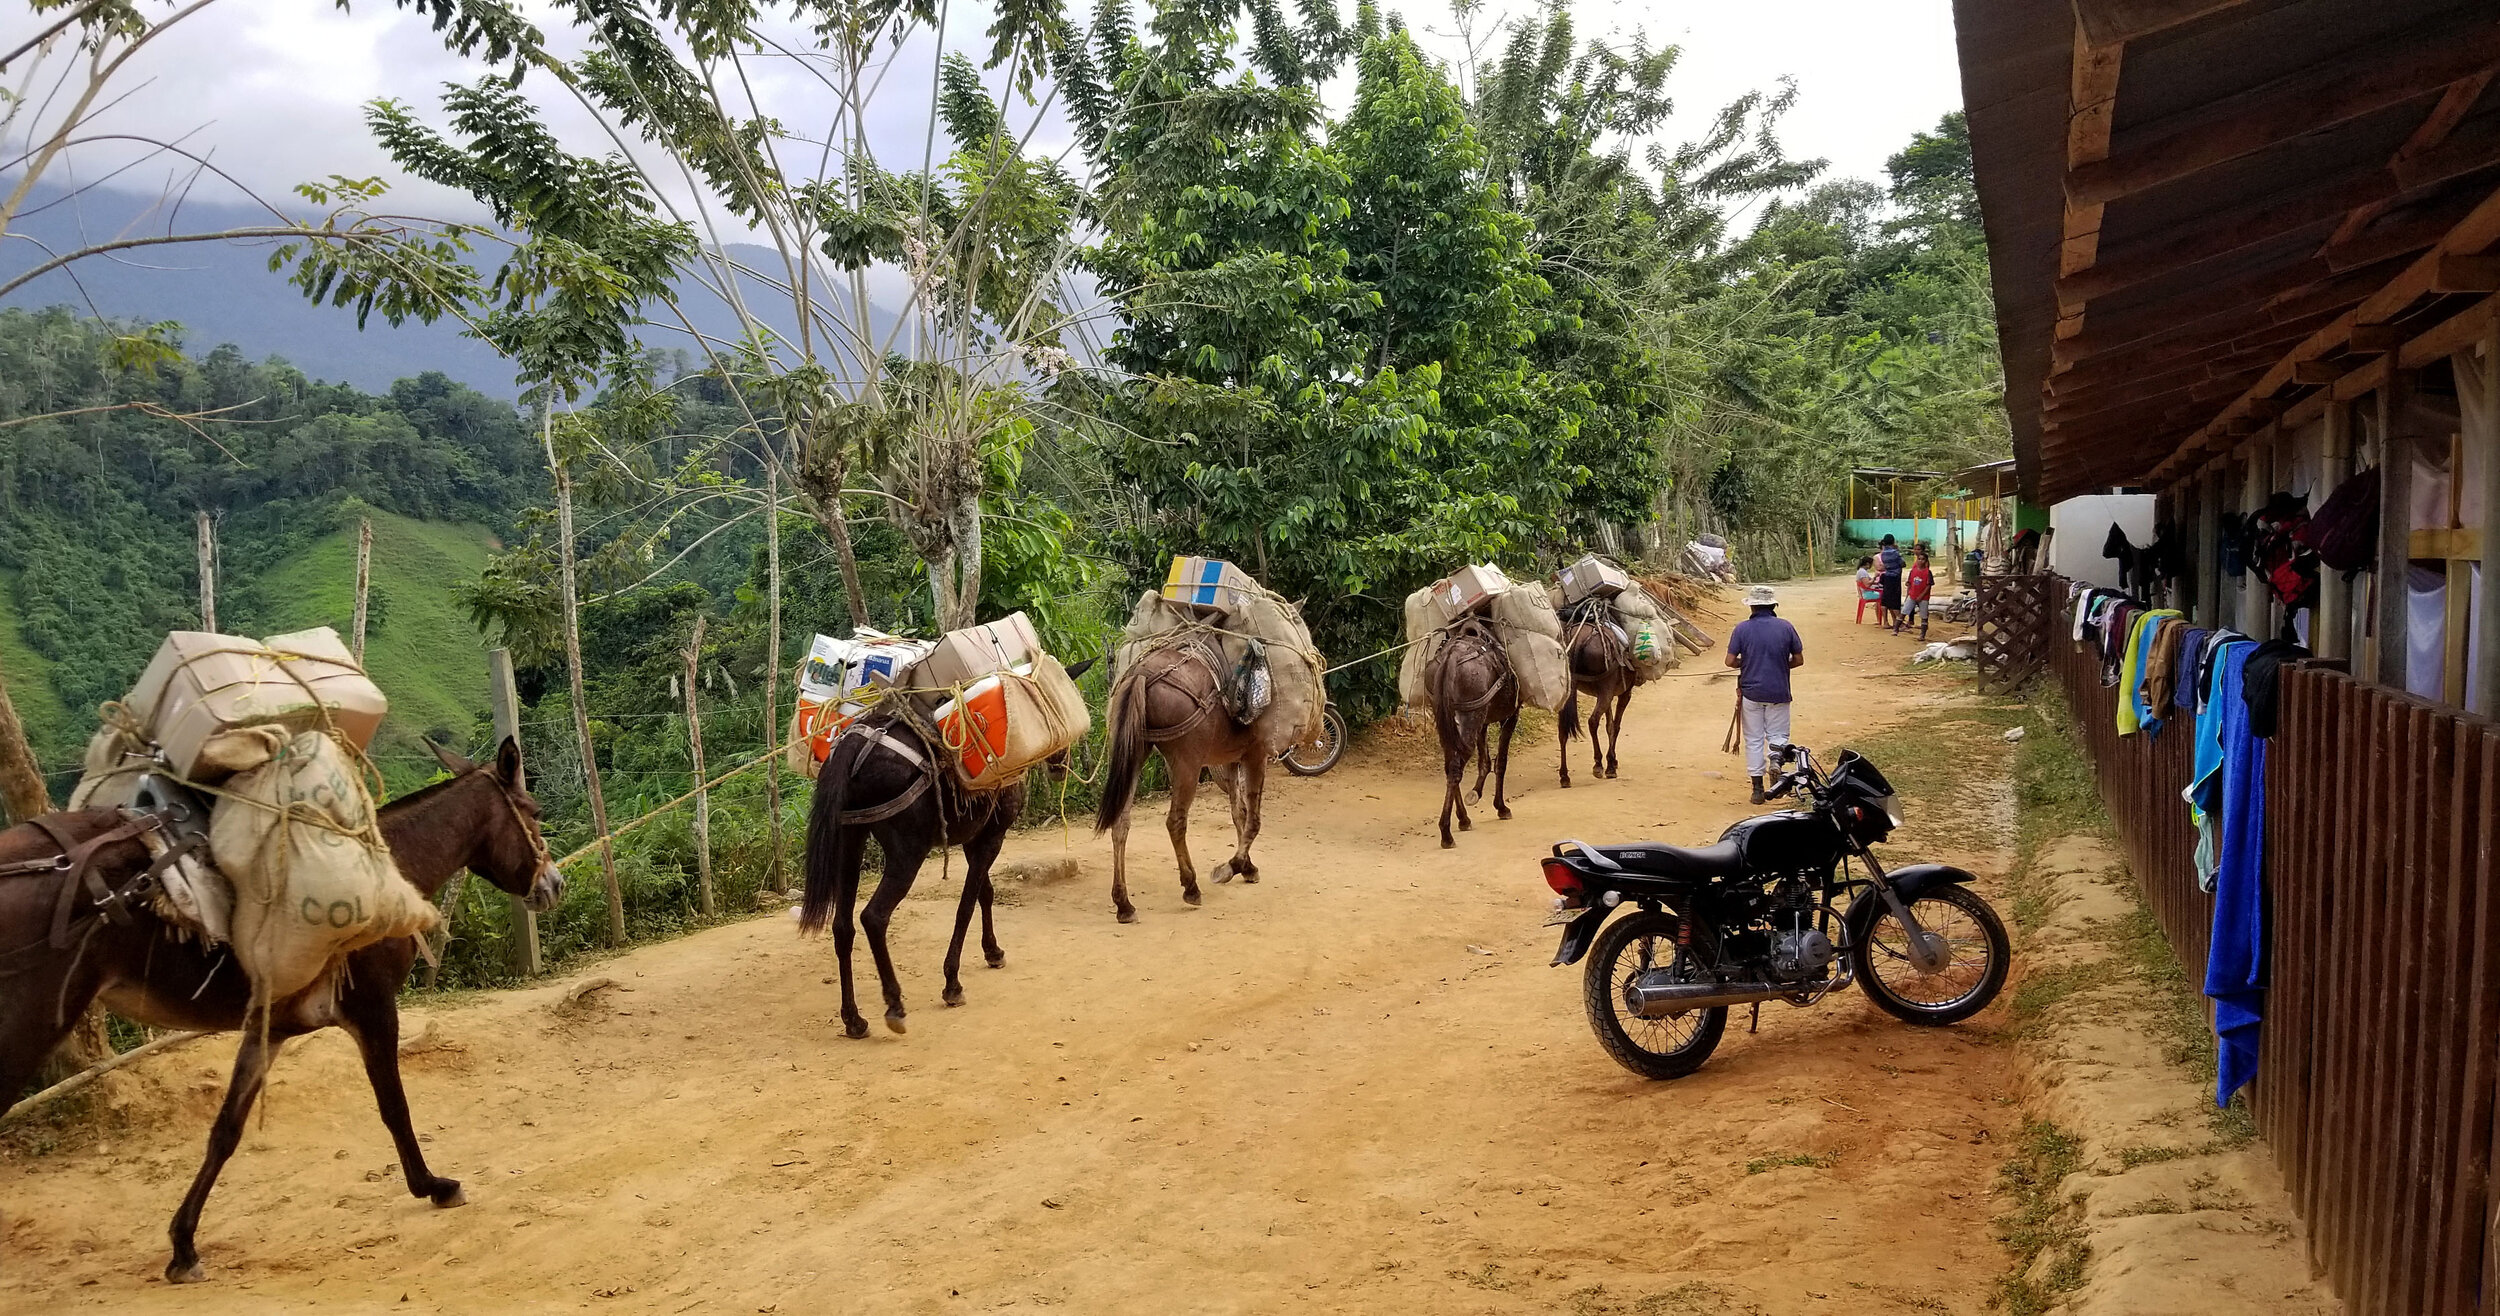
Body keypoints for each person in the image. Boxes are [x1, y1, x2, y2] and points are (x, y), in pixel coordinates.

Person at [1725, 584, 1805, 804]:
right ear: (1773, 605)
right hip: (1779, 690)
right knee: (1778, 735)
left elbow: (1730, 661)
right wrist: (1779, 664)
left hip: (1751, 692)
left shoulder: (1741, 629)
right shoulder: (1786, 627)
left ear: (1752, 607)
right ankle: (1777, 761)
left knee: (1753, 739)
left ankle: (1757, 790)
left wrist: (1747, 662)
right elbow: (1798, 659)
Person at [1902, 547, 1935, 640]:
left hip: (1921, 594)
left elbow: (1927, 583)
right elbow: (1911, 577)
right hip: (1913, 591)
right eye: (1915, 549)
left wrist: (1921, 595)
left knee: (1923, 614)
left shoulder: (1926, 570)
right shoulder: (1914, 567)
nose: (1916, 551)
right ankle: (1907, 622)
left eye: (1918, 549)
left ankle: (1921, 632)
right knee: (1906, 608)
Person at [1876, 534, 1905, 629]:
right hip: (1895, 577)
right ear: (1893, 541)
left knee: (1886, 599)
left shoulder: (1883, 553)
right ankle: (1899, 622)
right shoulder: (1895, 553)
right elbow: (1903, 563)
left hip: (1887, 576)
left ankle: (1886, 621)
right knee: (1895, 600)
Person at [1854, 555, 1878, 624]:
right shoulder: (1862, 572)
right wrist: (1875, 577)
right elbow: (1867, 584)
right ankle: (1883, 620)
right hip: (1866, 594)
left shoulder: (1861, 571)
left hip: (1864, 593)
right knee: (1883, 597)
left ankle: (1880, 619)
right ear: (1867, 564)